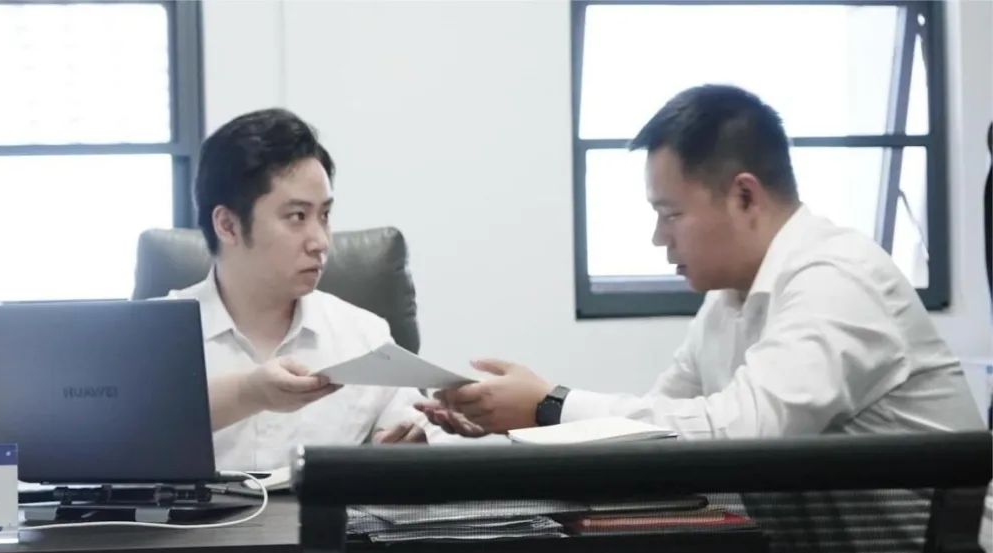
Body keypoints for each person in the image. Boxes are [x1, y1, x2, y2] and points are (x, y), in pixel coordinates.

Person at [418, 84, 982, 440]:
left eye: (670, 214)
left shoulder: (836, 278)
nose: (657, 238)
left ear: (744, 196)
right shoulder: (728, 299)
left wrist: (550, 405)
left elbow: (745, 432)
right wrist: (516, 424)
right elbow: (657, 430)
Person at [168, 108, 432, 471]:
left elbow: (418, 432)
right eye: (297, 217)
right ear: (227, 225)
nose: (320, 241)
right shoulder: (153, 339)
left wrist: (413, 446)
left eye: (324, 215)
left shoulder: (364, 336)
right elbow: (121, 435)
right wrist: (248, 393)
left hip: (323, 511)